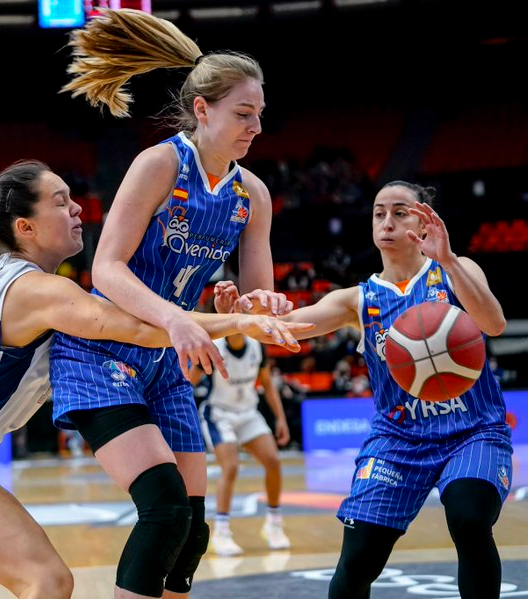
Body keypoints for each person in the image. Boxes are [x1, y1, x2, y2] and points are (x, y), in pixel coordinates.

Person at [0, 160, 312, 599]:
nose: (76, 208)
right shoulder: (38, 290)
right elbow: (137, 330)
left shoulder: (2, 272)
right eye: (60, 201)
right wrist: (236, 325)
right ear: (25, 227)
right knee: (49, 583)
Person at [53, 9, 290, 598]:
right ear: (202, 109)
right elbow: (104, 268)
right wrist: (178, 315)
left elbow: (257, 296)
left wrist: (261, 305)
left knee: (190, 536)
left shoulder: (251, 194)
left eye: (259, 114)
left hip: (166, 358)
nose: (255, 126)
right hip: (100, 349)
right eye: (243, 113)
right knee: (163, 514)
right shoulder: (160, 164)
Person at [280, 181, 512, 599]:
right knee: (359, 557)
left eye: (400, 212)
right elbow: (287, 329)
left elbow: (494, 324)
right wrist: (241, 316)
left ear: (424, 222)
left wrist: (450, 261)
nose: (387, 222)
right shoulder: (359, 299)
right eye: (378, 213)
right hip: (399, 437)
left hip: (473, 430)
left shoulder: (457, 271)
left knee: (469, 518)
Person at [188, 331, 291, 556]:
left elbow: (267, 383)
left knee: (273, 461)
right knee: (231, 467)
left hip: (248, 413)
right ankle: (221, 532)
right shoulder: (212, 346)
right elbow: (187, 382)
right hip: (219, 414)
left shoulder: (257, 347)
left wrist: (280, 418)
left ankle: (273, 524)